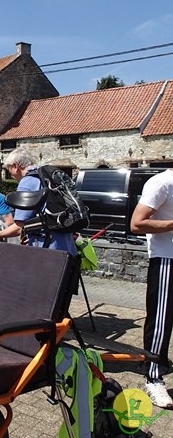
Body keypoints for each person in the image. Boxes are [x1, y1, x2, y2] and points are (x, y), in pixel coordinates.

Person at [130, 168, 173, 409]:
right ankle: (153, 377)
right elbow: (137, 223)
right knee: (160, 321)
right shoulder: (163, 182)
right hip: (167, 260)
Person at [0, 148, 77, 255]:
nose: (11, 176)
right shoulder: (48, 176)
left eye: (9, 171)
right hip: (68, 246)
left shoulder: (27, 182)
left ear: (15, 166)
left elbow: (19, 227)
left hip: (47, 250)